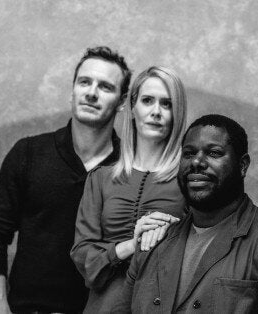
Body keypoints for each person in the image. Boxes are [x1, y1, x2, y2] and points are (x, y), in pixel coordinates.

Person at [111, 114, 258, 313]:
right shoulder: (154, 241)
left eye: (213, 153)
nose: (197, 162)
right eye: (189, 153)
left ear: (242, 166)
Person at [0, 46, 130, 313]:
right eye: (84, 82)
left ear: (122, 101)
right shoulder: (29, 153)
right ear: (73, 90)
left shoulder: (129, 169)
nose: (91, 93)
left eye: (105, 87)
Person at [70, 66, 188, 313]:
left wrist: (173, 234)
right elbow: (83, 255)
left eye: (166, 104)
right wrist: (131, 245)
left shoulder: (189, 180)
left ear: (177, 112)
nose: (156, 111)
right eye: (147, 101)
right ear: (132, 107)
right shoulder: (100, 179)